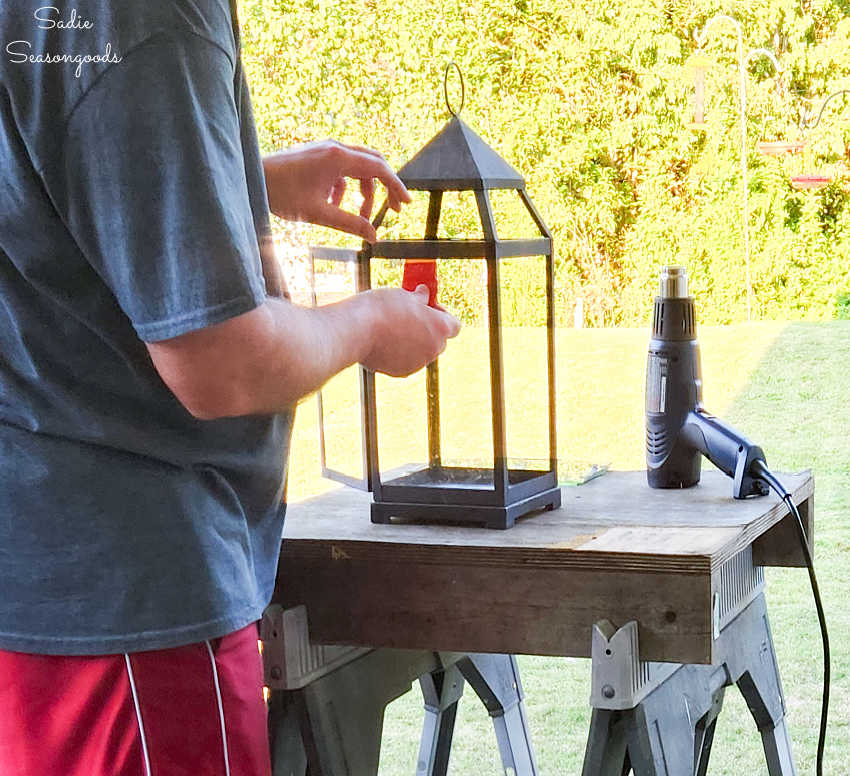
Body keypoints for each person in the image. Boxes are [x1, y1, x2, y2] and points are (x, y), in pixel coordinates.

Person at [0, 1, 460, 774]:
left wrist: (243, 180)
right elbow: (220, 362)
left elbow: (41, 177)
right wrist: (371, 324)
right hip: (130, 616)